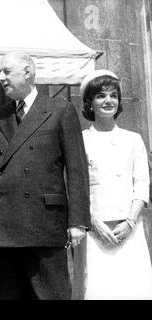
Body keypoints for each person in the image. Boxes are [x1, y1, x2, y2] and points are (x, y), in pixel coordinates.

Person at [0, 52, 91, 300]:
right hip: (3, 226)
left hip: (44, 223)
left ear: (27, 72)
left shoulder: (60, 110)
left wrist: (77, 221)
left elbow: (77, 168)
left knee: (51, 295)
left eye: (6, 71)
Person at [80, 70, 152, 299]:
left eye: (113, 95)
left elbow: (142, 184)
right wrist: (94, 224)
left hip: (128, 231)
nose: (108, 101)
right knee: (96, 290)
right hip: (94, 233)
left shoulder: (133, 139)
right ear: (90, 103)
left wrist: (130, 222)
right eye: (101, 96)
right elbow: (74, 187)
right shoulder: (80, 140)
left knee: (133, 290)